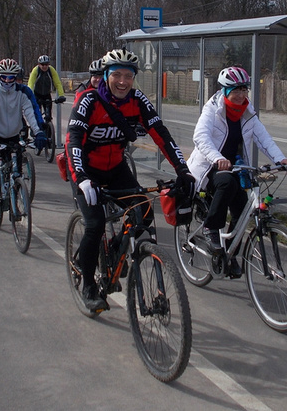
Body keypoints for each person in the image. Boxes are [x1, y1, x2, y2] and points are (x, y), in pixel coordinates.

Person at [66, 48, 194, 311]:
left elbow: (161, 133)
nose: (123, 81)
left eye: (128, 76)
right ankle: (89, 284)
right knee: (95, 224)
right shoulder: (88, 101)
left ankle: (115, 249)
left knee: (144, 211)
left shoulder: (137, 100)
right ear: (105, 76)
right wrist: (81, 178)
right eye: (117, 75)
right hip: (87, 172)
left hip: (115, 169)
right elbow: (73, 141)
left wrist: (182, 169)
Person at [186, 66, 287, 277]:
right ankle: (210, 227)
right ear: (225, 91)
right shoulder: (212, 110)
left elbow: (264, 138)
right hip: (210, 166)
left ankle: (229, 255)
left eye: (244, 90)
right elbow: (201, 137)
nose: (241, 95)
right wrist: (218, 158)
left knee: (242, 211)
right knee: (227, 183)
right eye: (236, 90)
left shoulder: (247, 112)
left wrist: (280, 158)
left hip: (237, 164)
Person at [0, 58, 47, 200]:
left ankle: (16, 190)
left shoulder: (24, 92)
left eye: (12, 77)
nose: (8, 80)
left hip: (14, 134)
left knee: (17, 164)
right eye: (4, 76)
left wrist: (39, 132)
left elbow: (31, 112)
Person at [28, 54, 66, 118]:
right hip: (37, 95)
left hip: (47, 95)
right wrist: (30, 95)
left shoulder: (51, 70)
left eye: (46, 64)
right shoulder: (35, 70)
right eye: (42, 64)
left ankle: (49, 126)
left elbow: (57, 83)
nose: (44, 66)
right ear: (39, 64)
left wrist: (61, 95)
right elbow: (31, 83)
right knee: (37, 115)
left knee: (48, 116)